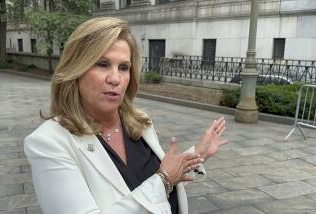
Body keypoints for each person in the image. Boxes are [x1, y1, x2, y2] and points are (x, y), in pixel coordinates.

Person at [24, 17, 227, 214]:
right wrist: (163, 179)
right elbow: (161, 182)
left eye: (124, 67)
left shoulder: (140, 122)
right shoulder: (48, 142)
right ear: (76, 70)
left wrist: (198, 153)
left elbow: (156, 190)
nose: (115, 78)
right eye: (102, 64)